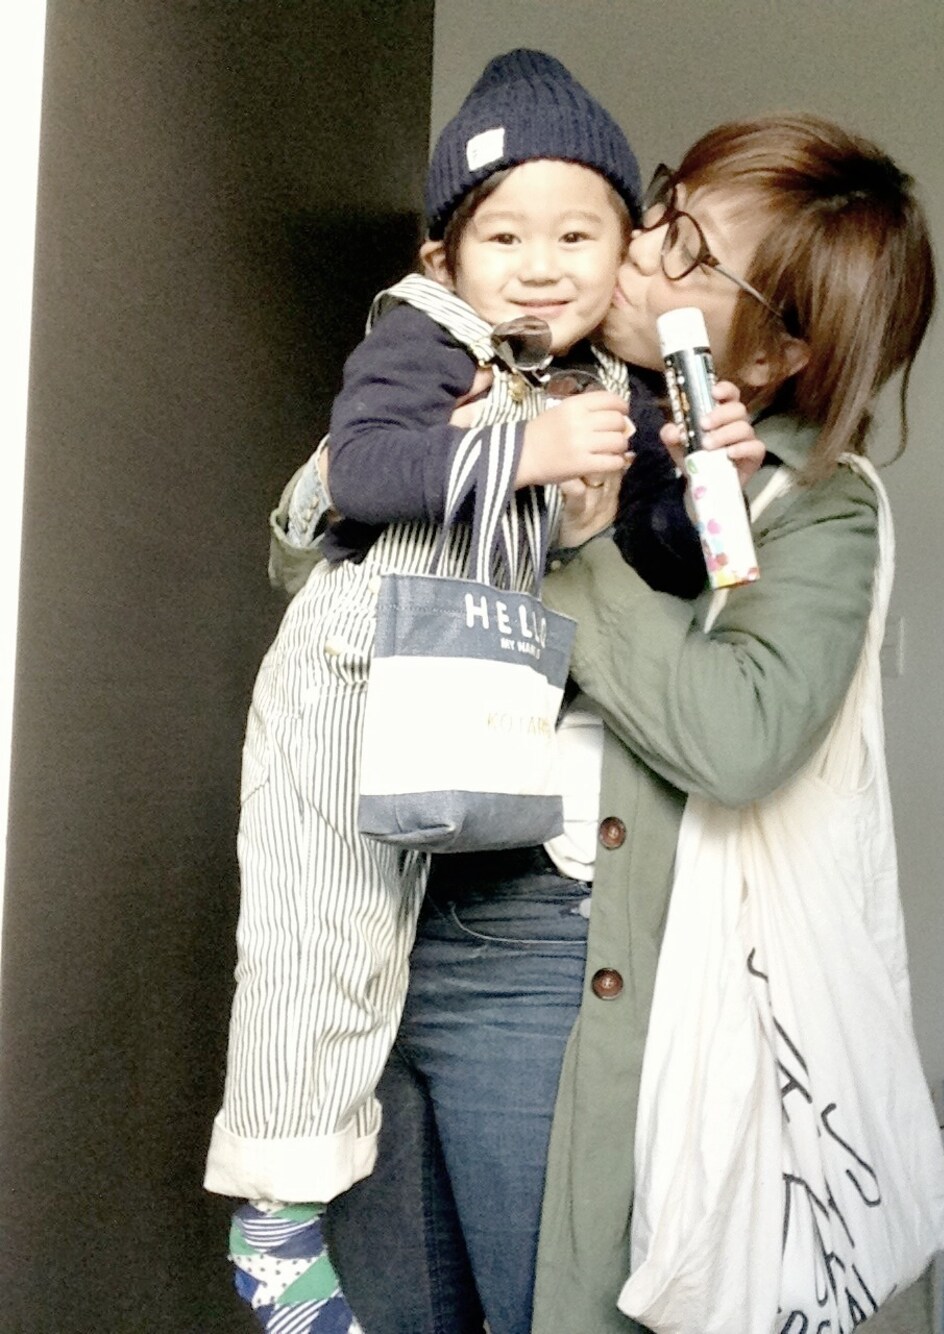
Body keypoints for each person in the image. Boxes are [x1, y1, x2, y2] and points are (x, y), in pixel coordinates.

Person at [269, 110, 937, 1334]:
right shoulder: (508, 372)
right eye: (665, 210)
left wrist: (582, 538)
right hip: (379, 900)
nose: (633, 247)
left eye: (692, 254)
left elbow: (738, 736)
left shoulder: (804, 499)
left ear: (775, 353)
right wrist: (407, 459)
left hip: (550, 948)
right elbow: (319, 571)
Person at [207, 49, 758, 1334]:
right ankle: (276, 1219)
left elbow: (661, 566)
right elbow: (364, 467)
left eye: (578, 233)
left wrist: (700, 477)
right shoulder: (424, 335)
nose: (541, 264)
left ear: (625, 248)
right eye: (502, 235)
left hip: (478, 733)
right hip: (352, 693)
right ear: (444, 256)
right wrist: (522, 447)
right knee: (320, 941)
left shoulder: (626, 392)